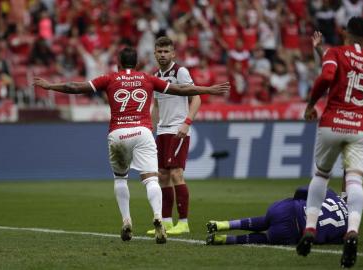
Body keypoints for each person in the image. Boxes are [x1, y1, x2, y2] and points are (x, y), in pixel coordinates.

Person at [33, 47, 230, 244]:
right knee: (152, 179)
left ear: (119, 63)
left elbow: (74, 87)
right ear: (136, 64)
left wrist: (50, 86)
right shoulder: (147, 78)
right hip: (142, 133)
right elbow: (182, 90)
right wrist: (207, 89)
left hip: (118, 134)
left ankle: (127, 220)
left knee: (120, 179)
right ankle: (159, 218)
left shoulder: (109, 78)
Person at [296, 17, 363, 268]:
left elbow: (327, 77)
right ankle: (352, 231)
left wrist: (310, 104)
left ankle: (309, 228)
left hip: (332, 122)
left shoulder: (336, 53)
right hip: (361, 127)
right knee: (354, 180)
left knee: (321, 175)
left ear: (344, 32)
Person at [312, 29, 363, 226]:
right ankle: (345, 211)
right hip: (358, 124)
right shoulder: (351, 67)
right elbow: (331, 64)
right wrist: (319, 48)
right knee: (350, 168)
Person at [147, 36, 201, 235]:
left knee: (176, 173)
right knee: (162, 175)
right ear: (154, 53)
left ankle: (184, 222)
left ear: (173, 53)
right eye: (159, 52)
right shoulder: (155, 76)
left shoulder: (181, 72)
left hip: (178, 129)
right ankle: (167, 222)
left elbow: (196, 98)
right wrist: (149, 129)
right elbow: (157, 105)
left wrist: (186, 123)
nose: (162, 55)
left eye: (166, 51)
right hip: (162, 131)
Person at [206, 187, 348, 246]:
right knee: (267, 238)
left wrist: (294, 201)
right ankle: (225, 240)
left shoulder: (331, 193)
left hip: (285, 210)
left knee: (266, 220)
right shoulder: (350, 227)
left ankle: (223, 224)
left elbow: (301, 190)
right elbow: (333, 241)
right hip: (295, 231)